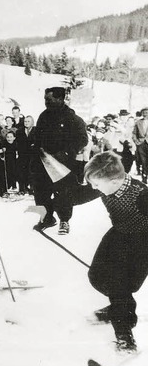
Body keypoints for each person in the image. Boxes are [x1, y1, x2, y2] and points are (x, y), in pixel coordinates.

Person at [55, 151, 148, 353]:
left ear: (114, 181)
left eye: (96, 184)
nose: (93, 188)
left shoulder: (141, 194)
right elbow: (75, 196)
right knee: (97, 276)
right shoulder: (105, 185)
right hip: (119, 233)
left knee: (120, 285)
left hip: (142, 241)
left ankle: (125, 336)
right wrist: (46, 208)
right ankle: (119, 308)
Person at [31, 87, 88, 235]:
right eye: (45, 99)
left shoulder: (72, 118)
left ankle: (64, 220)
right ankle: (47, 218)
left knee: (64, 193)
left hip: (64, 164)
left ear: (60, 99)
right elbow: (37, 137)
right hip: (43, 162)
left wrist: (66, 153)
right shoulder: (43, 116)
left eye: (49, 100)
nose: (46, 103)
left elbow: (82, 139)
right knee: (41, 192)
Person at [15, 115, 36, 194]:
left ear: (32, 122)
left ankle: (32, 188)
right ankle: (22, 189)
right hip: (22, 155)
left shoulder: (36, 130)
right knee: (21, 172)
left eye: (28, 121)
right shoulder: (19, 131)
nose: (26, 123)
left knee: (32, 172)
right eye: (25, 121)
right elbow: (17, 143)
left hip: (33, 155)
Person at [132, 107, 148, 183]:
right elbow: (134, 133)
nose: (145, 114)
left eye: (147, 113)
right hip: (141, 144)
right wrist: (136, 141)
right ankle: (144, 178)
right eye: (144, 113)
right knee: (143, 161)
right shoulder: (138, 122)